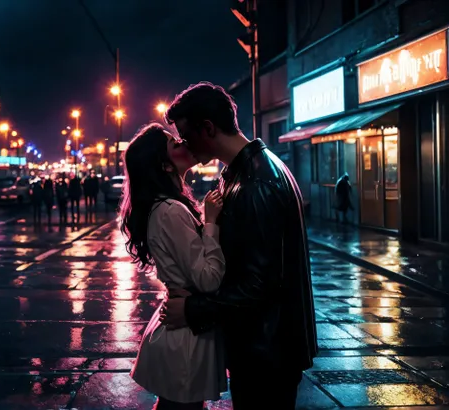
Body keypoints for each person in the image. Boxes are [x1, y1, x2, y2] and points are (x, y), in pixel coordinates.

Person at [162, 82, 317, 409]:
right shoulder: (248, 172)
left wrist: (191, 310)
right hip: (265, 348)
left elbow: (257, 284)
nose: (186, 147)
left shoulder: (256, 181)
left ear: (208, 128)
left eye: (188, 137)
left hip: (267, 354)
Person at [120, 123, 227, 409]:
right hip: (185, 335)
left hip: (183, 326)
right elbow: (208, 279)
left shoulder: (167, 206)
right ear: (164, 165)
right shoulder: (169, 210)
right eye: (173, 143)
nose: (183, 142)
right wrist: (212, 221)